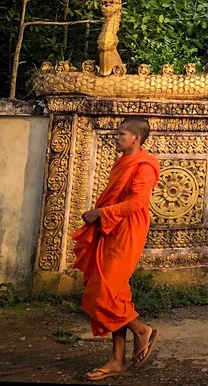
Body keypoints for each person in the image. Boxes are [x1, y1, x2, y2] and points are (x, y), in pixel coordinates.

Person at [72, 116, 161, 381]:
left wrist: (100, 212)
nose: (116, 137)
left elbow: (137, 203)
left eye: (121, 133)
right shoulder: (122, 162)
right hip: (111, 228)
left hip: (128, 230)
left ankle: (141, 330)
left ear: (136, 138)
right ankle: (117, 360)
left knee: (105, 291)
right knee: (114, 292)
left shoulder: (144, 166)